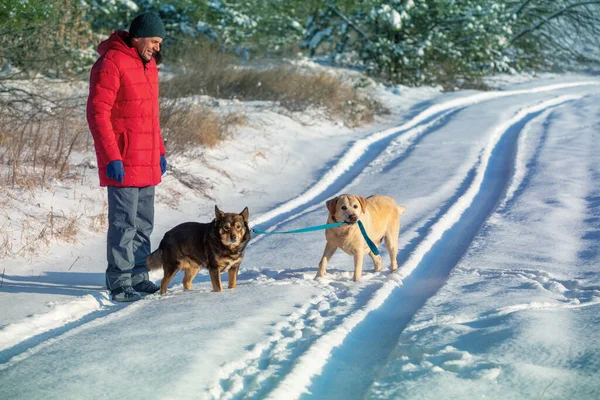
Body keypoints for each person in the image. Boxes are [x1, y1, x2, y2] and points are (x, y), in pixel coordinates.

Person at [87, 12, 167, 302]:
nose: (157, 47)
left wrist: (160, 151)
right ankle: (119, 281)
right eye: (154, 41)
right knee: (124, 223)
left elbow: (151, 116)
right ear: (138, 36)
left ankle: (138, 274)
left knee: (144, 222)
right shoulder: (111, 63)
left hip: (147, 157)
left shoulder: (149, 67)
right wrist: (112, 156)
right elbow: (98, 114)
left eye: (159, 43)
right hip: (122, 159)